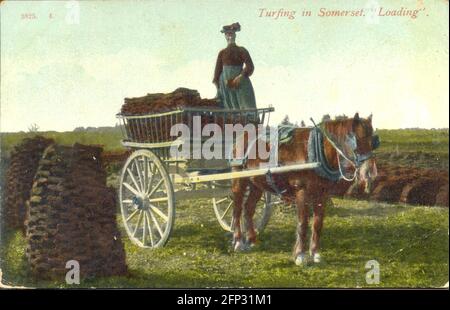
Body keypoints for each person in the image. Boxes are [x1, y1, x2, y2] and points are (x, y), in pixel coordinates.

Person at [213, 22, 257, 110]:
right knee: (228, 109)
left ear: (235, 35)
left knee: (245, 107)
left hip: (240, 84)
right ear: (225, 36)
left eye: (231, 34)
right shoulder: (222, 53)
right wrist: (220, 89)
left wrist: (240, 77)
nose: (229, 36)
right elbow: (217, 74)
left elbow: (250, 66)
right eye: (227, 34)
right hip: (226, 86)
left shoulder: (242, 50)